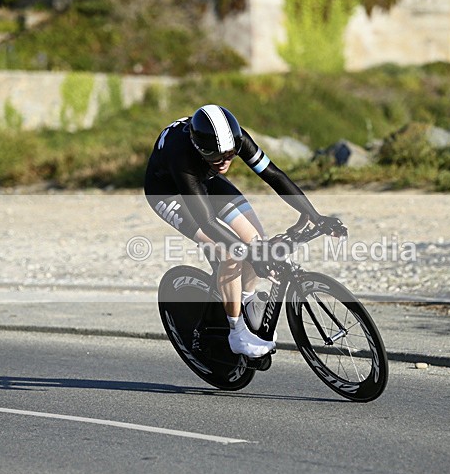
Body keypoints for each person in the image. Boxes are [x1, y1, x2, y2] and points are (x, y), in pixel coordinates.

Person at [145, 104, 346, 358]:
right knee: (230, 253)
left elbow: (274, 175)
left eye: (230, 155)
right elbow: (207, 222)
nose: (225, 162)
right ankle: (237, 332)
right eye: (216, 156)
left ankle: (247, 300)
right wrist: (251, 255)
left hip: (205, 177)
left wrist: (316, 216)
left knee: (256, 240)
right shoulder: (182, 155)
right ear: (199, 148)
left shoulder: (235, 138)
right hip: (168, 192)